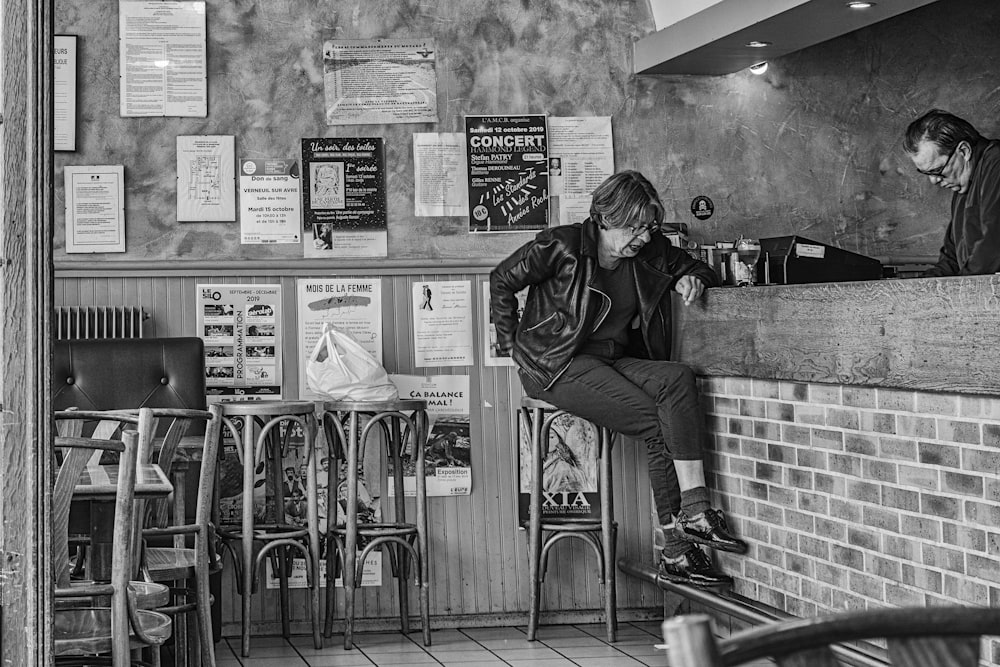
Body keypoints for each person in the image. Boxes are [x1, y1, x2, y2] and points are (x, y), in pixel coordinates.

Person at [490, 170, 746, 587]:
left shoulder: (651, 251)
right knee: (653, 419)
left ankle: (696, 512)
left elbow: (701, 266)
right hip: (557, 365)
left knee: (676, 380)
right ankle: (678, 551)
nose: (642, 237)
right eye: (633, 227)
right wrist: (511, 345)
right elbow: (503, 278)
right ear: (605, 218)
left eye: (649, 227)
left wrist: (693, 278)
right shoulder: (562, 244)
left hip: (610, 360)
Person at [903, 109, 1000, 276]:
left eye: (938, 170)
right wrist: (919, 288)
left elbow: (994, 245)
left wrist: (959, 291)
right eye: (927, 174)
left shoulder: (996, 163)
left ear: (964, 151)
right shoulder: (962, 186)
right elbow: (951, 260)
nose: (934, 181)